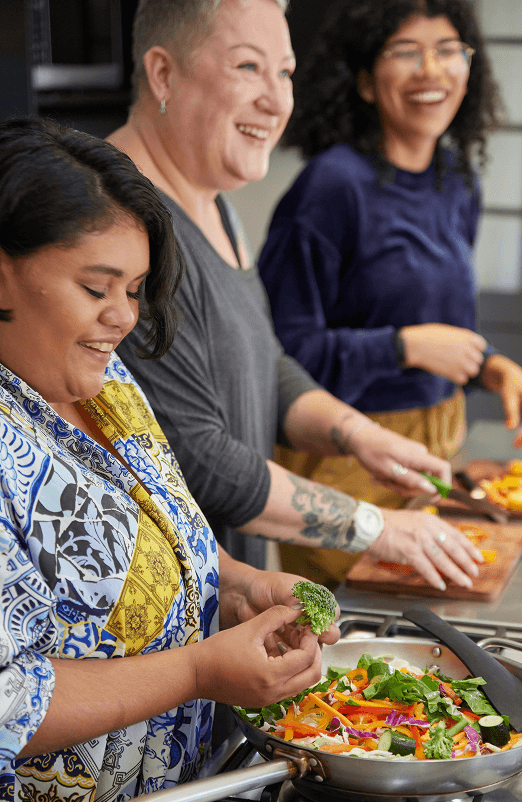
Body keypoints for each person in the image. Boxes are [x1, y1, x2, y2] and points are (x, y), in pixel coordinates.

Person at [0, 116, 337, 801]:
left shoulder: (108, 380)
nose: (123, 317)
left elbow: (158, 538)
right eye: (96, 289)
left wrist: (237, 585)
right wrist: (197, 672)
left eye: (133, 289)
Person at [110, 0, 485, 595]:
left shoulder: (214, 203)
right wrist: (374, 525)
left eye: (284, 73)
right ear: (163, 74)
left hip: (229, 595)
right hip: (162, 613)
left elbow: (266, 360)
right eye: (248, 68)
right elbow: (201, 458)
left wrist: (356, 434)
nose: (278, 99)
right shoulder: (125, 224)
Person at [258, 0, 522, 583]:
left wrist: (491, 367)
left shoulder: (456, 179)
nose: (432, 71)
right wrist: (402, 348)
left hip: (439, 446)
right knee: (351, 644)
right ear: (366, 81)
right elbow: (278, 356)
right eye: (405, 52)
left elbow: (431, 318)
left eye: (448, 51)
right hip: (340, 462)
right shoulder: (330, 186)